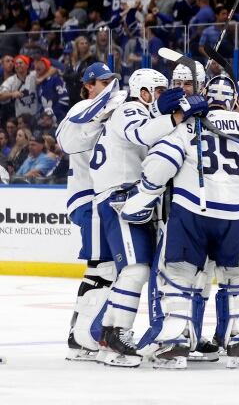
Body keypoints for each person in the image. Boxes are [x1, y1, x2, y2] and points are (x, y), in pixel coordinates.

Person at [124, 75, 239, 369]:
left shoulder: (190, 123)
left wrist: (146, 190)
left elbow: (160, 164)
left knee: (178, 277)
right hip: (238, 216)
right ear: (233, 100)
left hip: (191, 213)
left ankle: (174, 342)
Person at [90, 68, 201, 367]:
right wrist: (176, 117)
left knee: (135, 269)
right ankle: (117, 335)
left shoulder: (144, 114)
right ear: (143, 91)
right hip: (119, 198)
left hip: (126, 197)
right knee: (136, 268)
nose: (164, 96)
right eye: (160, 90)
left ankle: (108, 336)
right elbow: (140, 133)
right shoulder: (129, 108)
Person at [56, 62, 123, 362]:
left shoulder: (108, 108)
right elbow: (67, 142)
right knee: (104, 268)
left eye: (110, 81)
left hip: (100, 198)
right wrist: (101, 113)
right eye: (100, 82)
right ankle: (86, 336)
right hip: (89, 198)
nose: (106, 86)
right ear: (88, 85)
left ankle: (79, 334)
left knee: (99, 268)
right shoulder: (82, 107)